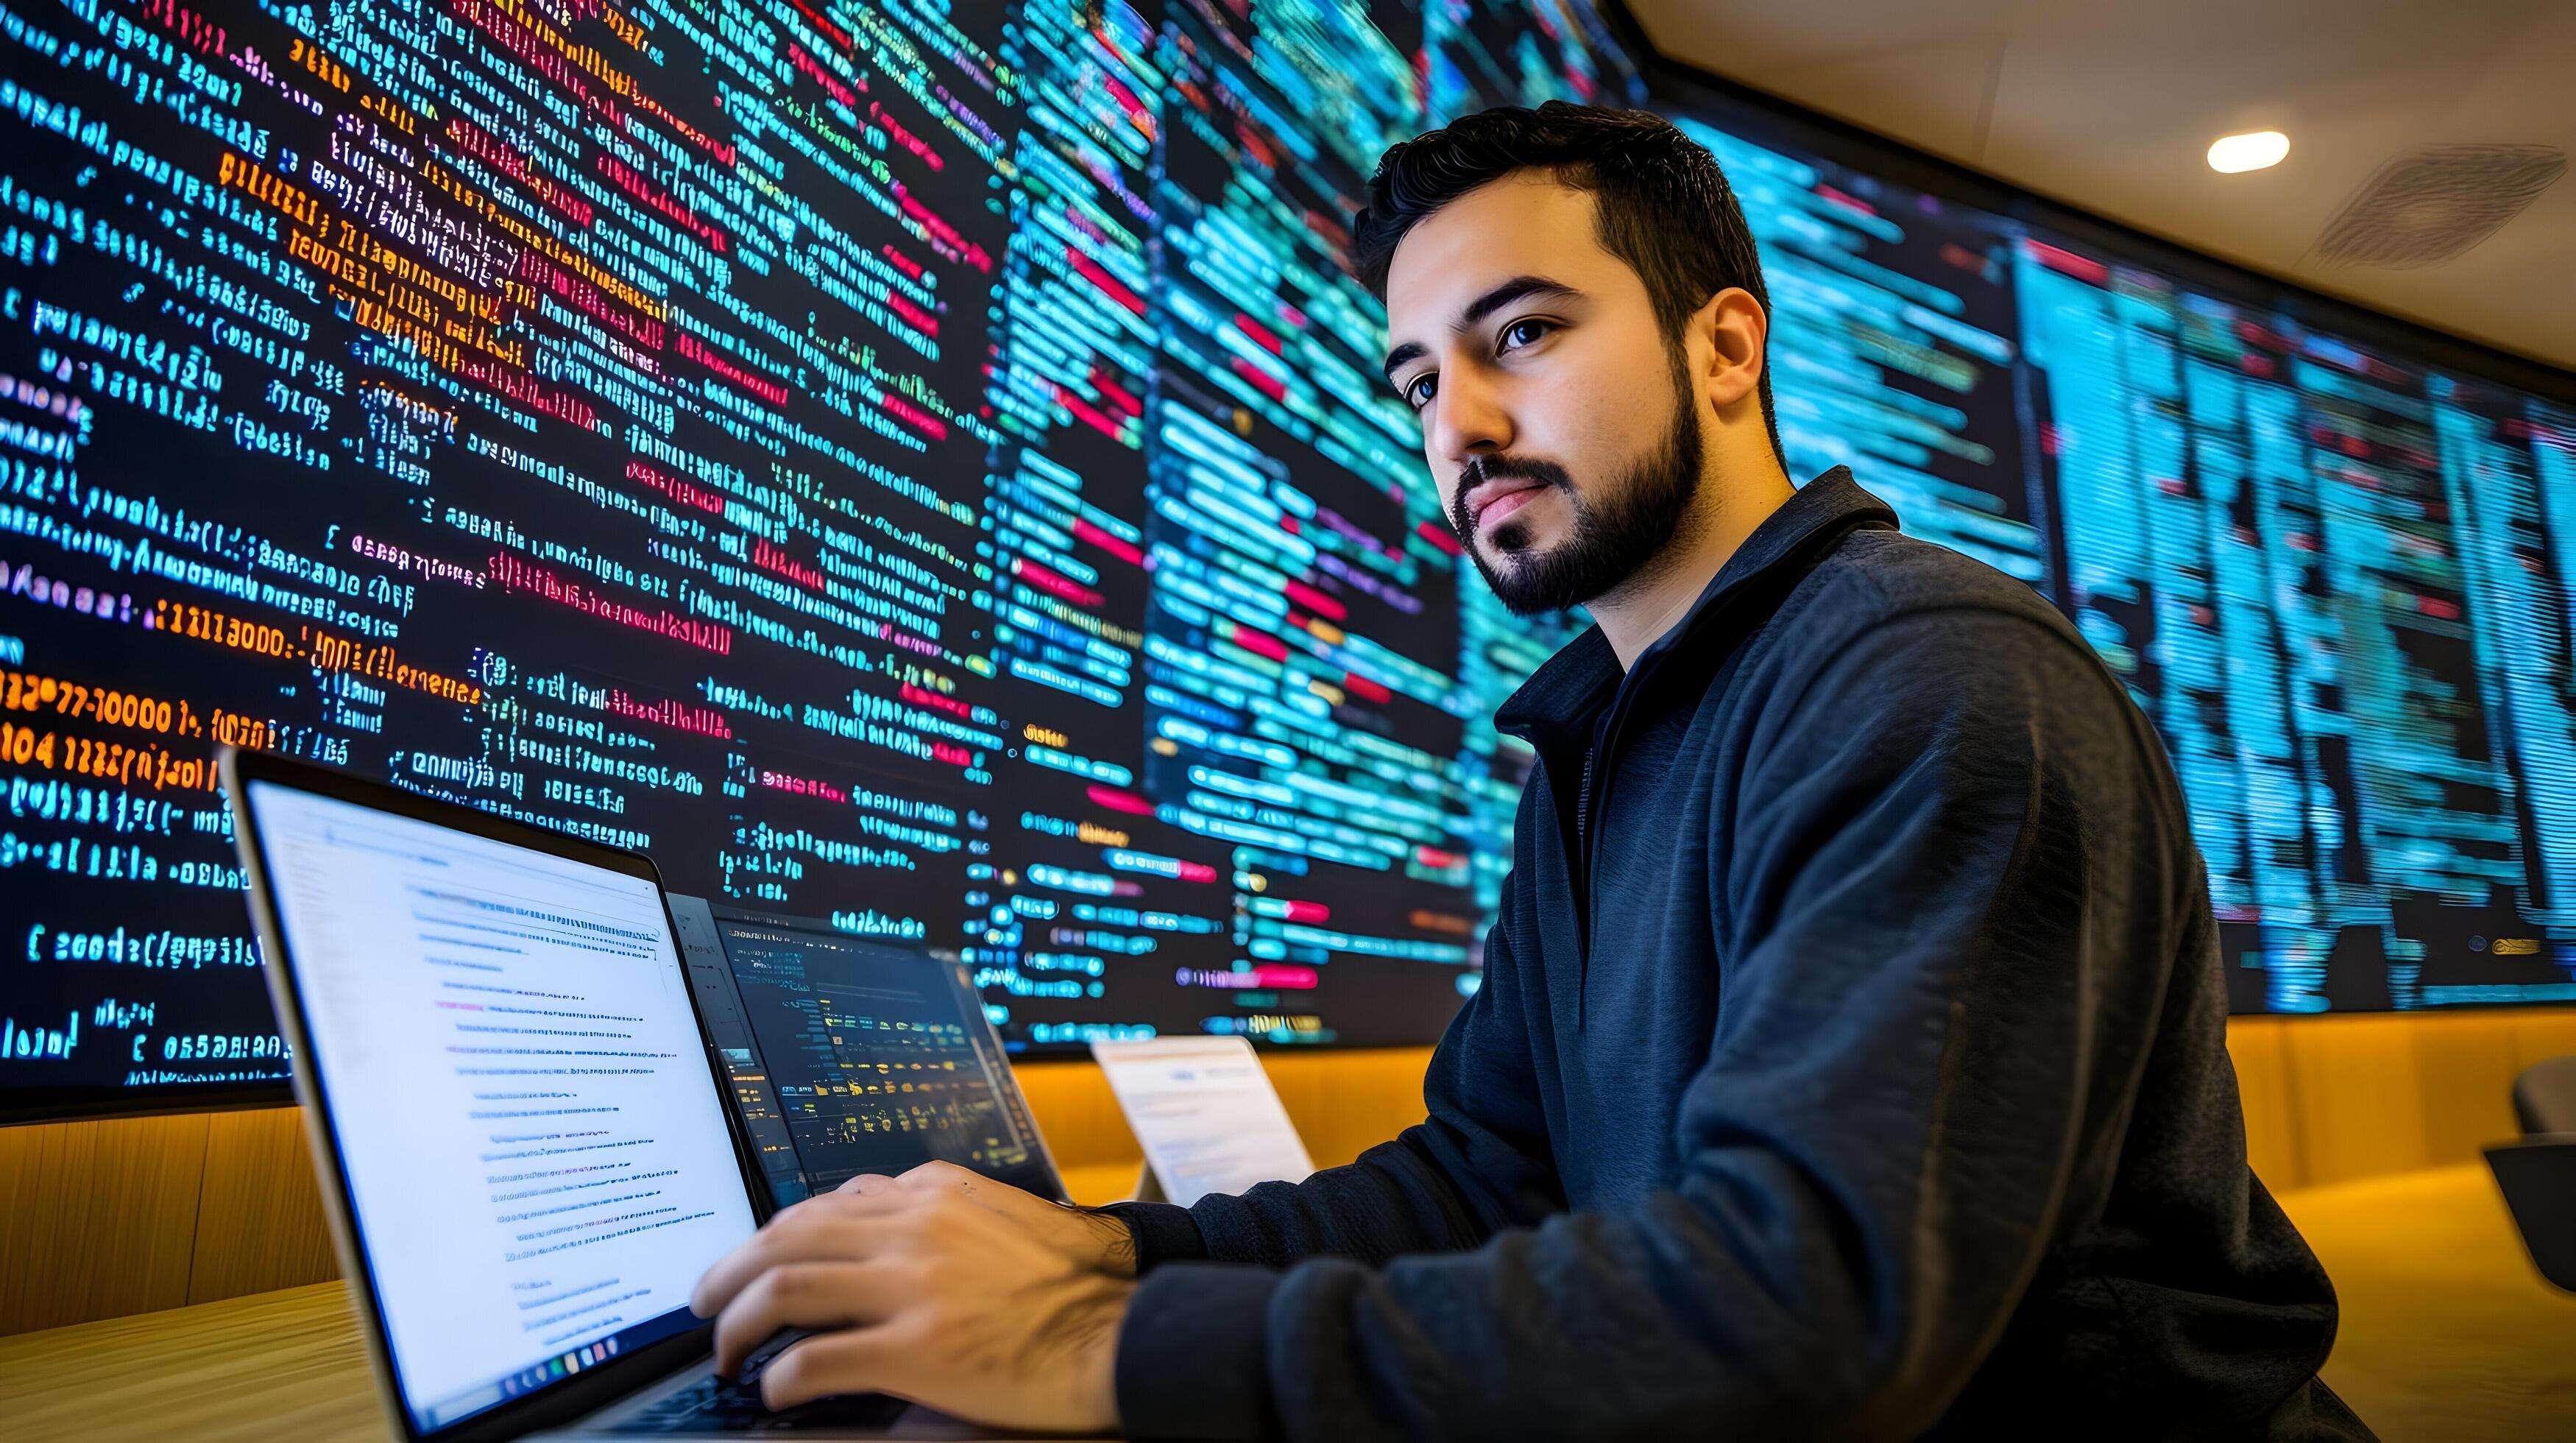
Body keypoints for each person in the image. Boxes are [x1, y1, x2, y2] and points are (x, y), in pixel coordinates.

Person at [687, 102, 2368, 1440]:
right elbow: (1488, 1176)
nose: (1457, 427)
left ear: (1725, 349)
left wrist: (1090, 1341)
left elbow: (1816, 1313)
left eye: (1523, 334)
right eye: (1421, 377)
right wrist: (1107, 1247)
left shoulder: (1930, 678)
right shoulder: (1598, 741)